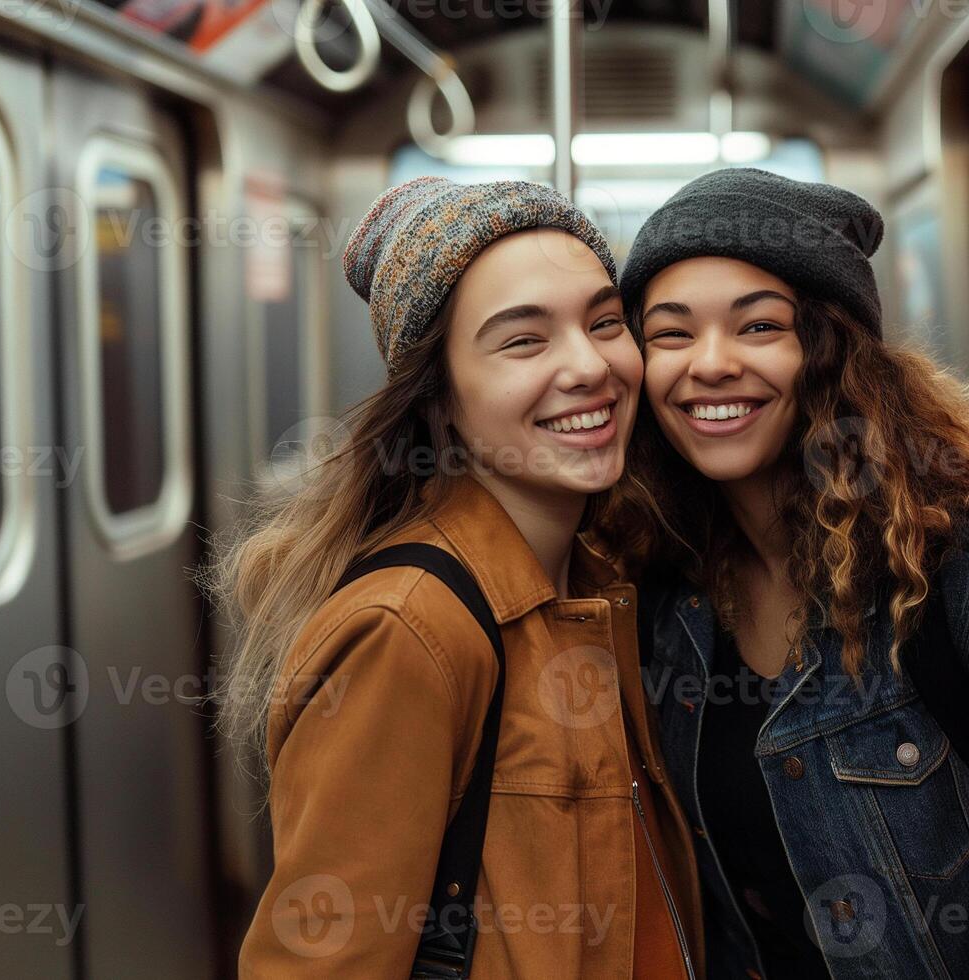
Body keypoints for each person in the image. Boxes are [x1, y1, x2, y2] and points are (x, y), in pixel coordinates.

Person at [602, 168, 969, 980]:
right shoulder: (660, 591)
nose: (709, 364)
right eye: (670, 334)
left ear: (828, 350)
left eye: (759, 327)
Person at [208, 177, 701, 978]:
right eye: (523, 341)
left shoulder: (596, 581)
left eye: (605, 322)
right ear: (441, 403)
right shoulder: (409, 630)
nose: (589, 365)